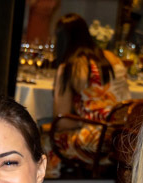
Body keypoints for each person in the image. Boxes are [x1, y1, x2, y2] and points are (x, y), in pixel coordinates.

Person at [51, 13, 129, 167]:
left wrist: (86, 122)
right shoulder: (113, 58)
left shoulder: (70, 66)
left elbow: (62, 122)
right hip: (122, 138)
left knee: (42, 140)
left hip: (96, 143)